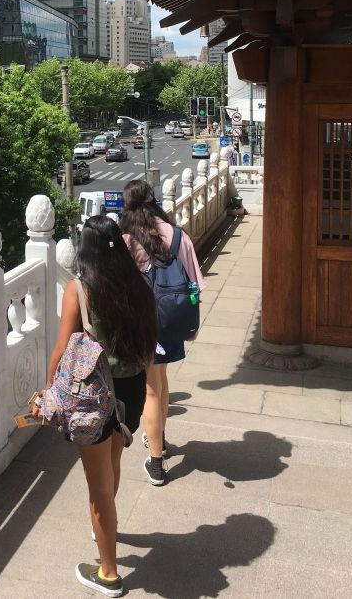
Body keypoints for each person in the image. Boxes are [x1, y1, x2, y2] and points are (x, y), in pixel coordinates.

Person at [37, 214, 156, 597]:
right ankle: (104, 528)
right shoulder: (137, 283)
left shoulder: (80, 289)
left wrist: (49, 391)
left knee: (98, 489)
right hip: (132, 390)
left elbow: (61, 348)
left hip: (93, 396)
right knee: (113, 463)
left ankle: (109, 573)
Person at [120, 179, 206, 487]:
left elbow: (117, 284)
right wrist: (193, 322)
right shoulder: (177, 235)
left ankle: (156, 462)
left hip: (143, 322)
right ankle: (161, 438)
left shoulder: (127, 238)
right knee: (162, 380)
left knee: (151, 389)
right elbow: (195, 283)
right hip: (170, 320)